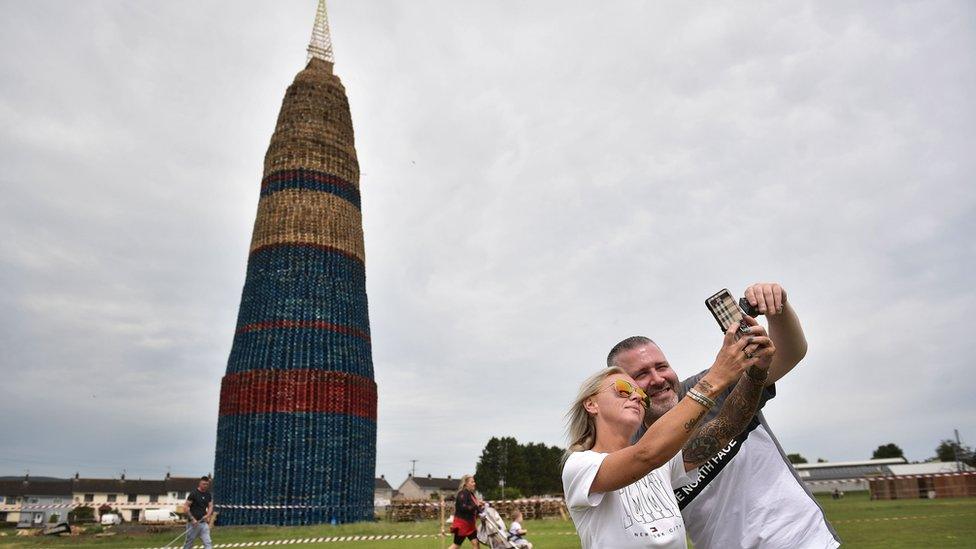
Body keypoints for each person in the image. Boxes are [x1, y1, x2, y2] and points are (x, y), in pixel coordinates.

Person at [608, 282, 840, 549]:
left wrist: (779, 309)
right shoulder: (633, 450)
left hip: (800, 540)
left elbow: (791, 353)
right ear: (623, 387)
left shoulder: (717, 382)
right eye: (641, 374)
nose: (658, 379)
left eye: (661, 366)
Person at [562, 322, 772, 549]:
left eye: (639, 393)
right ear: (591, 404)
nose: (636, 397)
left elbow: (727, 425)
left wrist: (757, 370)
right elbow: (645, 454)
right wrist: (716, 378)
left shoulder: (662, 462)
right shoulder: (580, 466)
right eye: (623, 388)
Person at [449, 475, 483, 548]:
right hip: (462, 525)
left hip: (470, 525)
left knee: (476, 543)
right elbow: (463, 507)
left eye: (474, 481)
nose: (474, 483)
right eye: (472, 482)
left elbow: (475, 507)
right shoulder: (462, 493)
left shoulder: (471, 494)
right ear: (466, 484)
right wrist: (476, 505)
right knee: (456, 545)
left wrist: (481, 508)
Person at [183, 476, 214, 549]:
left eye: (207, 484)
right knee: (189, 544)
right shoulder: (193, 494)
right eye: (204, 484)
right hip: (193, 524)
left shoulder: (208, 494)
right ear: (200, 483)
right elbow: (185, 507)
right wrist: (192, 519)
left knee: (208, 542)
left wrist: (208, 515)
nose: (205, 486)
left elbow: (210, 506)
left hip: (203, 523)